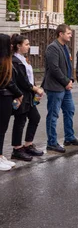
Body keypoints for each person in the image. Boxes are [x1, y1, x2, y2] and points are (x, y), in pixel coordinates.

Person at [42, 24, 78, 152]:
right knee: (53, 115)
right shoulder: (53, 48)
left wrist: (70, 79)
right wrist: (66, 81)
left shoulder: (65, 47)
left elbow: (68, 65)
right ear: (60, 34)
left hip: (65, 86)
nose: (70, 35)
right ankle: (52, 143)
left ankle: (69, 137)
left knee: (69, 110)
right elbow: (54, 68)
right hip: (55, 87)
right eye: (68, 33)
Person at [10, 34, 44, 162]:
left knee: (35, 118)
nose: (29, 47)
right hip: (21, 94)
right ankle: (17, 149)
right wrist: (35, 88)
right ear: (18, 46)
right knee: (20, 121)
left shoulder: (23, 59)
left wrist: (35, 89)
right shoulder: (15, 61)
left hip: (29, 95)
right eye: (26, 44)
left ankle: (28, 144)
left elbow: (29, 78)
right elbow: (22, 80)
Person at [0, 34, 22, 170]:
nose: (11, 46)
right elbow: (7, 80)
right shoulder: (2, 62)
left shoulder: (5, 60)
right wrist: (19, 94)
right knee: (1, 129)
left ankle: (1, 155)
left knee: (3, 129)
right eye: (9, 43)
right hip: (2, 96)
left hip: (6, 97)